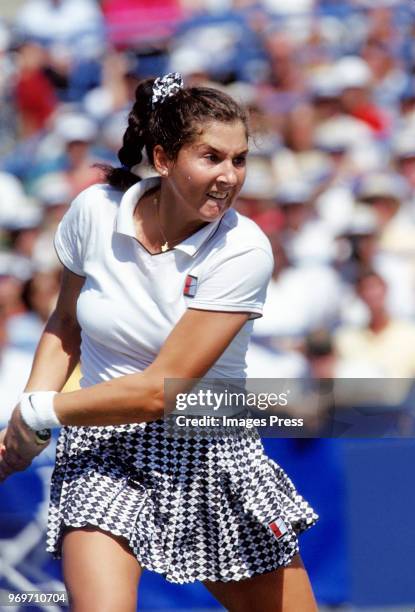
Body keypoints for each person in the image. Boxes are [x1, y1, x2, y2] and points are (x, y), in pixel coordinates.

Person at [0, 73, 318, 611]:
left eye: (239, 160)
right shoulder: (93, 211)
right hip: (103, 451)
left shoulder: (246, 250)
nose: (228, 176)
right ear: (164, 158)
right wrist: (24, 422)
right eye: (211, 157)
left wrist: (38, 411)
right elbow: (66, 325)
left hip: (211, 451)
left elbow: (158, 392)